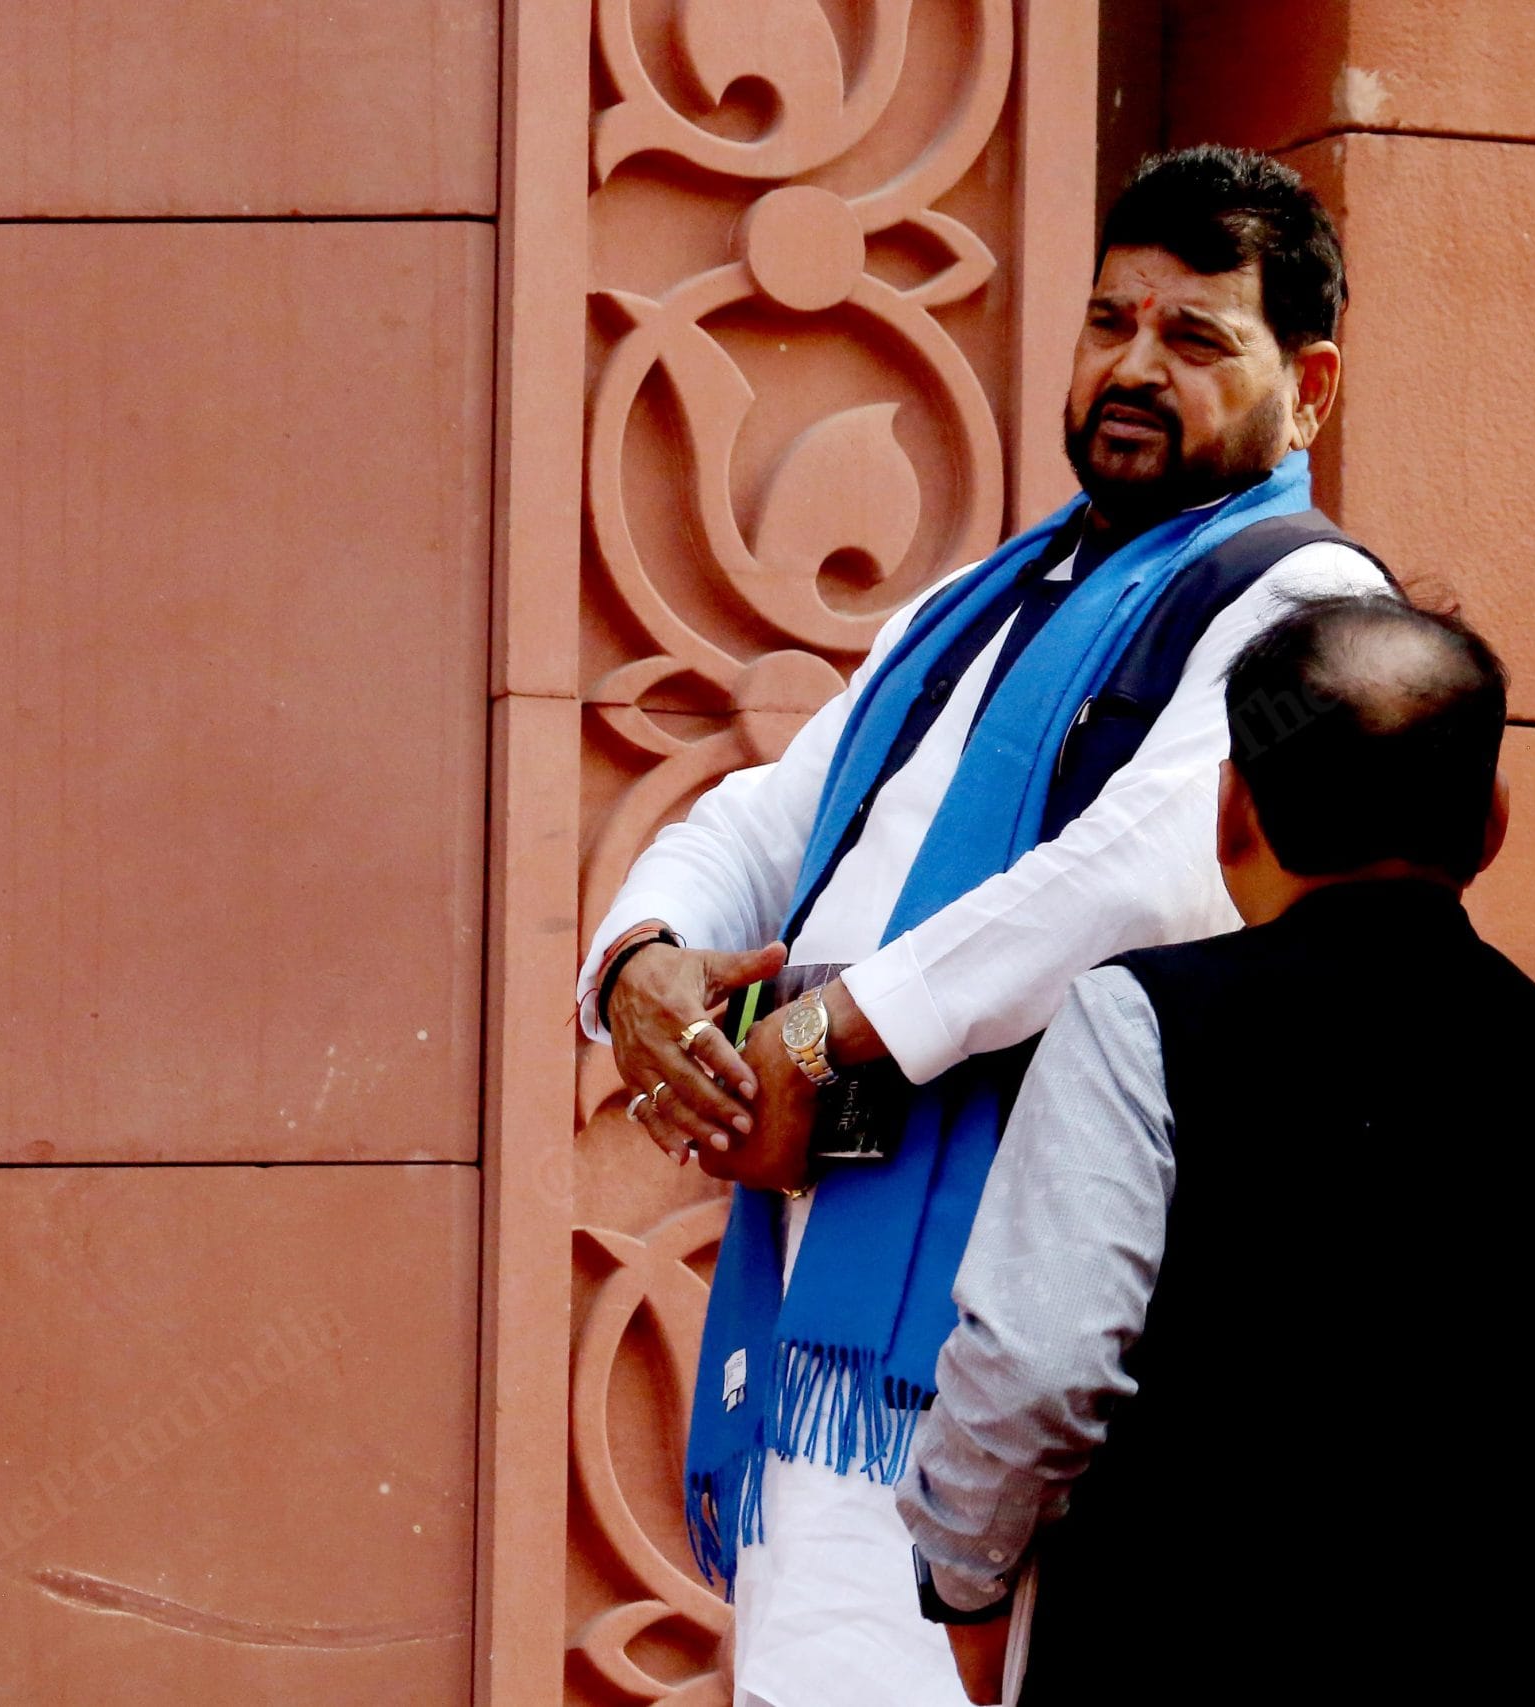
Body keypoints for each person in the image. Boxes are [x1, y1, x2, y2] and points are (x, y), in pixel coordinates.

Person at [575, 147, 1393, 1707]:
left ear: (1311, 387)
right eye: (1108, 322)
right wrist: (647, 969)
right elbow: (774, 814)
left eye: (1196, 337)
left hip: (1045, 1326)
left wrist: (817, 1034)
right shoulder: (972, 606)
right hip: (830, 1302)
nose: (1132, 367)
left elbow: (1134, 871)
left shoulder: (1307, 601)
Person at [898, 596, 1535, 1705]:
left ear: (1233, 812)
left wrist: (969, 1591)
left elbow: (1037, 1370)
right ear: (1491, 822)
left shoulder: (1141, 1026)